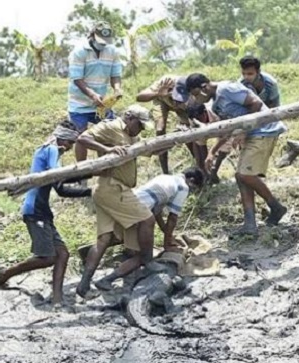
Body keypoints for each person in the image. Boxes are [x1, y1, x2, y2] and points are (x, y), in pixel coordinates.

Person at [0, 123, 92, 305]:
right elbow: (60, 186)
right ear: (63, 139)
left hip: (42, 211)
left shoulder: (45, 149)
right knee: (48, 258)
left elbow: (57, 178)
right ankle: (6, 273)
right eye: (70, 143)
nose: (70, 147)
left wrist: (87, 175)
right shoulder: (53, 151)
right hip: (35, 210)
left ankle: (57, 298)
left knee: (62, 254)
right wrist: (90, 192)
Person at [186, 73, 288, 236]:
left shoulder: (227, 89)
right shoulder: (216, 105)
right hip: (251, 135)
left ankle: (276, 207)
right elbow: (229, 129)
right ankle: (250, 224)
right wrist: (212, 152)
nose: (196, 99)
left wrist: (243, 130)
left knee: (245, 175)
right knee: (241, 177)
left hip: (263, 130)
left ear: (205, 87)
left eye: (196, 94)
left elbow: (254, 104)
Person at [75, 104, 160, 297]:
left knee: (104, 240)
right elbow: (82, 138)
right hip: (113, 188)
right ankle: (148, 261)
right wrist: (107, 149)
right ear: (129, 118)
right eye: (139, 124)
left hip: (111, 190)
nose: (140, 129)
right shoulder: (112, 127)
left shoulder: (134, 136)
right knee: (147, 220)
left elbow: (151, 151)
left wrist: (173, 141)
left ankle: (84, 285)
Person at [77, 167, 206, 264]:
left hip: (129, 200)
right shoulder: (183, 187)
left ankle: (90, 252)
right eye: (194, 187)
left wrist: (167, 233)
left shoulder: (165, 177)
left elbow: (157, 214)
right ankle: (141, 261)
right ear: (191, 180)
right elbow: (173, 218)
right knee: (142, 243)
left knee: (124, 234)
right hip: (139, 207)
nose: (192, 190)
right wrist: (168, 244)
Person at [68, 20, 123, 163]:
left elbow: (115, 75)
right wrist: (92, 95)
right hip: (79, 104)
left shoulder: (113, 52)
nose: (103, 44)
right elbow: (77, 79)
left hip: (101, 104)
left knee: (108, 131)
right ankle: (82, 172)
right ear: (92, 35)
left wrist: (117, 89)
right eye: (100, 40)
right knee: (82, 137)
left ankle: (104, 167)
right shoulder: (79, 52)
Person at [136, 75, 207, 175]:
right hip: (161, 100)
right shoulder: (165, 82)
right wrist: (158, 93)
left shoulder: (191, 90)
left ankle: (200, 166)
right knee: (160, 129)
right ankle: (165, 172)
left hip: (184, 105)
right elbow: (139, 97)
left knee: (191, 131)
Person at [186, 103, 233, 184]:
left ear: (204, 112)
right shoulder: (193, 119)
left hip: (224, 129)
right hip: (203, 130)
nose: (198, 121)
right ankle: (209, 175)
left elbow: (225, 137)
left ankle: (214, 171)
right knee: (201, 162)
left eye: (199, 118)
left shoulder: (217, 113)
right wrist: (205, 167)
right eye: (195, 119)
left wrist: (212, 152)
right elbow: (200, 143)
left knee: (225, 148)